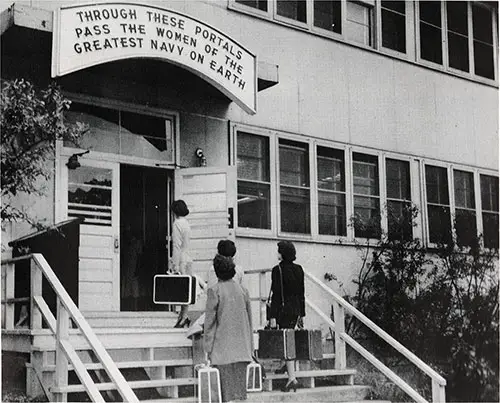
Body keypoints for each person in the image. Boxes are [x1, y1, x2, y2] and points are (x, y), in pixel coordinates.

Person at [204, 254, 253, 402]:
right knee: (239, 394)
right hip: (242, 348)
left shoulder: (214, 290)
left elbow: (210, 323)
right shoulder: (243, 290)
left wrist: (208, 348)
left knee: (224, 395)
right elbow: (249, 320)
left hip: (222, 350)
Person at [268, 240, 305, 392]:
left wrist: (272, 316)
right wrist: (302, 314)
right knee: (290, 339)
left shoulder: (277, 270)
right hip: (295, 309)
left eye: (279, 250)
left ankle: (291, 378)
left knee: (286, 341)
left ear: (282, 253)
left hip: (283, 310)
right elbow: (301, 293)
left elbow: (276, 294)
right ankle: (288, 370)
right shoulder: (299, 269)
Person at [170, 199, 193, 328]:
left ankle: (183, 317)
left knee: (182, 289)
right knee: (187, 289)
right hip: (188, 257)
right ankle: (183, 316)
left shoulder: (177, 223)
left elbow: (176, 245)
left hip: (181, 259)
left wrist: (175, 264)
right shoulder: (187, 223)